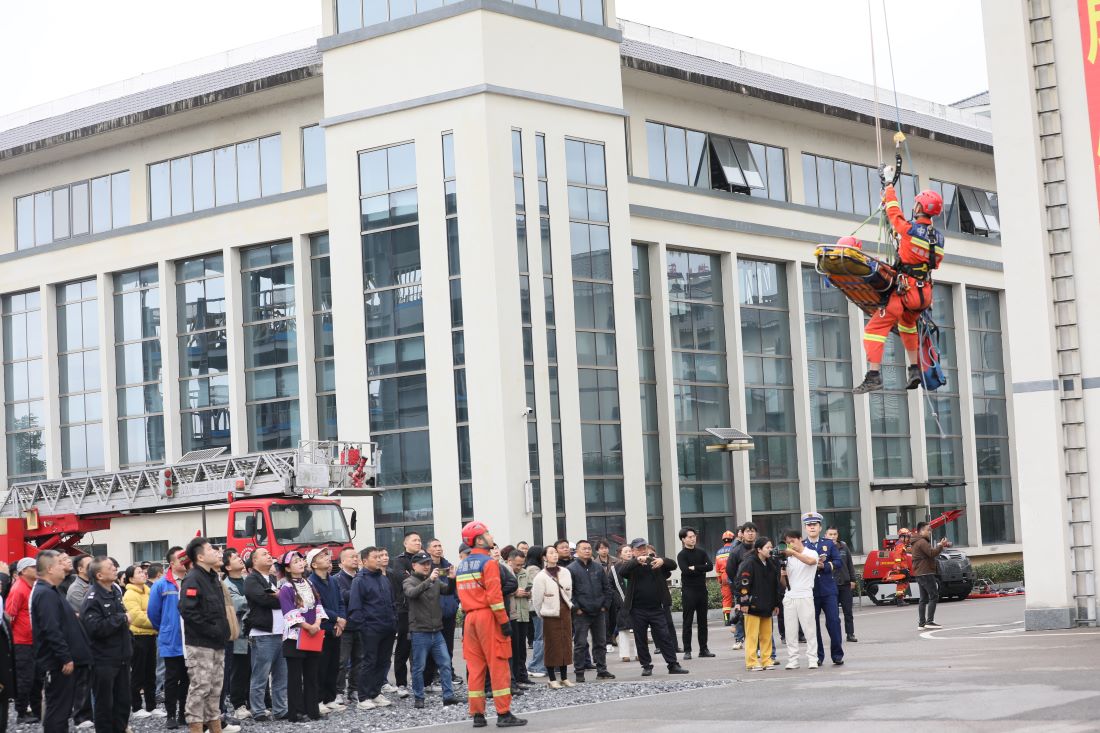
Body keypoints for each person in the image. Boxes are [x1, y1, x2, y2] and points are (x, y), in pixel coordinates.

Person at [854, 183, 945, 394]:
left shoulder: (910, 229)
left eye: (916, 204)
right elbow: (934, 263)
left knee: (874, 330)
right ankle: (914, 369)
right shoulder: (938, 238)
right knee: (907, 325)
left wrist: (888, 189)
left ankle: (873, 375)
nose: (914, 207)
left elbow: (894, 214)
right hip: (924, 295)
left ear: (920, 208)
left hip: (906, 291)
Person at [455, 521, 527, 728]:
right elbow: (494, 596)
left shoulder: (462, 566)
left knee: (476, 667)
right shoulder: (489, 563)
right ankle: (503, 713)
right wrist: (504, 622)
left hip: (470, 618)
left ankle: (478, 714)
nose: (490, 536)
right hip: (488, 618)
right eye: (487, 533)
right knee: (499, 665)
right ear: (479, 539)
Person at [32, 551, 94, 733]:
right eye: (60, 563)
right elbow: (51, 629)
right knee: (57, 709)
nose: (64, 566)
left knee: (63, 708)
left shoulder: (53, 591)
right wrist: (65, 657)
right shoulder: (45, 594)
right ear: (50, 569)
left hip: (63, 661)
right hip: (58, 663)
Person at [178, 537, 232, 733]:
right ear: (200, 556)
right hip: (200, 644)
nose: (217, 551)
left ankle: (215, 727)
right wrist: (212, 630)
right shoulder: (193, 578)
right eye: (211, 549)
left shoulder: (213, 577)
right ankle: (195, 728)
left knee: (215, 688)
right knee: (200, 688)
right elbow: (187, 611)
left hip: (217, 643)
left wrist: (223, 631)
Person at [620, 539, 688, 677]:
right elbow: (622, 571)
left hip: (657, 608)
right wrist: (637, 560)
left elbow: (673, 565)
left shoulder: (654, 561)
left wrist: (662, 561)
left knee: (664, 636)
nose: (642, 551)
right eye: (638, 549)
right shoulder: (631, 565)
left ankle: (673, 664)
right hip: (637, 609)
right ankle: (646, 666)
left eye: (644, 548)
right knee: (641, 638)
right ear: (633, 551)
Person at [81, 556, 133, 733]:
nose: (114, 568)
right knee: (105, 705)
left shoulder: (115, 592)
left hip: (122, 657)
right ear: (99, 575)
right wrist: (121, 619)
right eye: (110, 567)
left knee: (123, 703)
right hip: (104, 660)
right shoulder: (92, 598)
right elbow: (94, 628)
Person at [403, 551, 459, 709]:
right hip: (420, 631)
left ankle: (448, 696)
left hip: (437, 631)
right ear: (414, 566)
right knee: (419, 667)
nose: (427, 566)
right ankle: (419, 697)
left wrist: (452, 579)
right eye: (423, 564)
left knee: (445, 664)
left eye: (428, 563)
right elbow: (411, 593)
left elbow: (447, 590)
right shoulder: (409, 581)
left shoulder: (434, 581)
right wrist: (430, 580)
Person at [278, 551, 327, 722]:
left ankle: (313, 710)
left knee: (312, 674)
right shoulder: (286, 588)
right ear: (287, 568)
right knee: (295, 677)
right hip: (294, 637)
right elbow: (289, 612)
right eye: (295, 561)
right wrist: (307, 626)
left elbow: (318, 605)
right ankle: (296, 713)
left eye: (301, 560)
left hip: (312, 635)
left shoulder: (309, 583)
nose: (300, 563)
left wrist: (317, 624)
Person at [242, 548, 288, 722]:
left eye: (269, 554)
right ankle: (259, 710)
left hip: (280, 633)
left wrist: (280, 597)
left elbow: (284, 600)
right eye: (264, 554)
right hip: (262, 634)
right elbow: (262, 599)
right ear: (254, 561)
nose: (269, 556)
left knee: (281, 675)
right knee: (260, 675)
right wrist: (282, 599)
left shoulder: (273, 578)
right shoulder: (251, 579)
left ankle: (281, 709)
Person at [349, 546, 397, 710]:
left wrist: (394, 621)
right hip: (370, 629)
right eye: (375, 557)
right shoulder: (359, 580)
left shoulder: (383, 578)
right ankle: (363, 697)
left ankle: (375, 693)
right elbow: (355, 607)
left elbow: (392, 602)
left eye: (379, 556)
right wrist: (364, 626)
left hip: (388, 627)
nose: (379, 559)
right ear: (364, 561)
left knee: (383, 662)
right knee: (369, 662)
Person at [148, 546, 190, 729]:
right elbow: (153, 613)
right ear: (172, 563)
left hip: (190, 640)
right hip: (171, 640)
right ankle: (170, 715)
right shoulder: (161, 585)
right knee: (172, 678)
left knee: (188, 679)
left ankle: (183, 714)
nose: (185, 561)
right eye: (181, 559)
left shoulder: (192, 581)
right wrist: (166, 628)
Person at [305, 547, 347, 713]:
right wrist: (337, 618)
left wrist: (341, 620)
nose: (328, 558)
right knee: (319, 666)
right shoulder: (310, 582)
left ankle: (330, 698)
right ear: (314, 564)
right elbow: (317, 606)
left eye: (327, 555)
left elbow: (341, 602)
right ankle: (318, 700)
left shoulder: (333, 580)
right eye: (322, 556)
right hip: (320, 628)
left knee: (333, 665)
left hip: (335, 628)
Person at [566, 539, 613, 683]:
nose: (587, 551)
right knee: (580, 643)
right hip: (581, 613)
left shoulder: (598, 568)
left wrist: (605, 605)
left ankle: (602, 670)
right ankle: (579, 671)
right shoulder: (571, 569)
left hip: (599, 611)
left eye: (588, 548)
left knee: (600, 642)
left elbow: (607, 588)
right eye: (583, 548)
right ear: (577, 551)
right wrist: (576, 608)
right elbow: (568, 592)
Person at [802, 513, 845, 666]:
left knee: (833, 621)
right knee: (812, 624)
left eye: (815, 524)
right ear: (806, 528)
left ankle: (837, 654)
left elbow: (838, 562)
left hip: (828, 589)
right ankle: (817, 656)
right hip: (810, 590)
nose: (812, 527)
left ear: (820, 527)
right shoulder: (802, 545)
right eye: (809, 525)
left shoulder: (828, 543)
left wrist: (825, 566)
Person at [530, 545, 573, 689]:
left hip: (565, 610)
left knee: (565, 643)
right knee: (551, 645)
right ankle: (552, 678)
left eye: (555, 552)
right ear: (544, 557)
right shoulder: (540, 576)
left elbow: (569, 592)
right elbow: (536, 600)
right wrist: (541, 612)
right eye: (551, 553)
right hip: (549, 614)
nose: (555, 555)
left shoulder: (565, 572)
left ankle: (565, 677)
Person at [736, 537, 782, 671]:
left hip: (767, 605)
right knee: (752, 636)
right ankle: (752, 662)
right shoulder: (749, 563)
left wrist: (776, 604)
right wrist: (743, 602)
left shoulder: (771, 563)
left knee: (766, 635)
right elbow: (743, 583)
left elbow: (775, 585)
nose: (770, 549)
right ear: (759, 549)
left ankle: (767, 660)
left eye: (771, 547)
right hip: (752, 605)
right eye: (768, 547)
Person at [123, 565, 161, 719]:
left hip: (151, 635)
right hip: (138, 637)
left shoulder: (148, 590)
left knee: (150, 673)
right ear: (131, 578)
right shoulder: (130, 594)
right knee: (138, 673)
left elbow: (155, 610)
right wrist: (157, 621)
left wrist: (152, 616)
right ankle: (137, 706)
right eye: (139, 572)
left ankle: (152, 706)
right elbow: (137, 617)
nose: (143, 574)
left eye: (143, 571)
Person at [7, 556, 42, 723]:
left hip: (33, 640)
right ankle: (20, 714)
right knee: (25, 679)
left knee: (36, 679)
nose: (37, 569)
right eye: (33, 567)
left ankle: (36, 712)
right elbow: (9, 617)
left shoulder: (32, 586)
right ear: (23, 571)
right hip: (21, 642)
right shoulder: (18, 588)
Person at [779, 529, 820, 669]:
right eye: (788, 542)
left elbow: (811, 562)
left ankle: (812, 659)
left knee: (809, 629)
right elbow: (784, 583)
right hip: (790, 596)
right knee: (790, 631)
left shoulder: (810, 552)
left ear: (800, 539)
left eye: (793, 541)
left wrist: (794, 553)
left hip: (805, 595)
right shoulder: (787, 559)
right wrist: (782, 574)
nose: (791, 544)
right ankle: (793, 659)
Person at [389, 531, 422, 699]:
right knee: (403, 648)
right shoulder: (399, 561)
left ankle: (421, 682)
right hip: (404, 610)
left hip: (422, 609)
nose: (418, 542)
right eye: (414, 540)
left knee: (421, 648)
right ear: (405, 543)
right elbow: (404, 579)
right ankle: (401, 684)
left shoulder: (424, 558)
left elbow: (428, 578)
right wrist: (421, 577)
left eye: (419, 540)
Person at [426, 538, 462, 688]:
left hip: (449, 611)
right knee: (434, 646)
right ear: (428, 550)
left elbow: (454, 586)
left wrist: (455, 602)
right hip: (433, 613)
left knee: (448, 645)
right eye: (435, 546)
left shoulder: (448, 565)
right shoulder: (426, 567)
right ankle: (434, 674)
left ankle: (449, 672)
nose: (438, 548)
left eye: (440, 545)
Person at [221, 549, 251, 720]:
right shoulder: (225, 584)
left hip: (253, 632)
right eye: (235, 558)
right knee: (238, 670)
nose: (240, 559)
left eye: (239, 557)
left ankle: (251, 702)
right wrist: (255, 597)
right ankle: (238, 704)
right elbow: (236, 603)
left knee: (252, 669)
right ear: (227, 566)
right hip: (238, 631)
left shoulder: (247, 580)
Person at [676, 527, 714, 660]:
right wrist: (699, 569)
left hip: (701, 590)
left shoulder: (701, 552)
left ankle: (703, 649)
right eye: (689, 537)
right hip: (688, 591)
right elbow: (685, 571)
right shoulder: (682, 555)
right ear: (683, 539)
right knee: (688, 621)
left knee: (703, 621)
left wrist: (696, 568)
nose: (693, 539)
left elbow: (710, 566)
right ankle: (687, 650)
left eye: (694, 536)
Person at [334, 547, 362, 704]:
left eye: (356, 556)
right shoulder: (337, 579)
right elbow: (344, 597)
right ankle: (338, 691)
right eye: (351, 557)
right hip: (345, 626)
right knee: (342, 661)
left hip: (360, 624)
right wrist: (359, 591)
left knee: (359, 660)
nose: (355, 559)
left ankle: (354, 690)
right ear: (342, 561)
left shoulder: (360, 577)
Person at [912, 521, 951, 630]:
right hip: (926, 572)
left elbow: (929, 552)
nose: (930, 532)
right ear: (921, 531)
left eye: (930, 530)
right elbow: (931, 553)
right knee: (934, 596)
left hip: (920, 573)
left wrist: (939, 546)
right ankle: (930, 621)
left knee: (923, 599)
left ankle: (921, 623)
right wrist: (940, 546)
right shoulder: (922, 542)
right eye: (928, 530)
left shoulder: (916, 542)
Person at [724, 523, 757, 651]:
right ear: (742, 534)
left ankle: (759, 646)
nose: (750, 533)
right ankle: (739, 639)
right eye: (748, 531)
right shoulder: (736, 551)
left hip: (758, 589)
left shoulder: (759, 548)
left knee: (759, 617)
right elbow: (730, 572)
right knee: (741, 615)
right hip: (743, 589)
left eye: (753, 531)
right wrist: (738, 591)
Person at [825, 527, 859, 642]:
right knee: (833, 614)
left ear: (837, 535)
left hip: (845, 584)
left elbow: (850, 564)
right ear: (826, 535)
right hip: (831, 585)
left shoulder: (844, 547)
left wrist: (853, 580)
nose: (833, 536)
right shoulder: (824, 549)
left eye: (835, 534)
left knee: (848, 611)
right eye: (830, 534)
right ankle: (836, 636)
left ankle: (850, 634)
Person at [507, 550, 534, 688]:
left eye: (521, 564)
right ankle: (514, 677)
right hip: (512, 615)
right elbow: (503, 590)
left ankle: (522, 675)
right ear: (509, 561)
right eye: (517, 564)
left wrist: (528, 593)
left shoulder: (525, 572)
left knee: (522, 647)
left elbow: (530, 590)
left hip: (524, 613)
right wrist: (515, 592)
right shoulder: (505, 571)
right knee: (513, 648)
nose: (519, 567)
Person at [609, 545, 635, 662]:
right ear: (620, 554)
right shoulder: (614, 569)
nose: (629, 553)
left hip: (637, 602)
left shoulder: (637, 565)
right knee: (623, 630)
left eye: (630, 551)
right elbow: (610, 586)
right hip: (621, 603)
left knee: (639, 629)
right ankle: (625, 654)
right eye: (626, 551)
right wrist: (618, 600)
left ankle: (640, 653)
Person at [714, 530, 736, 630]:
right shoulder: (735, 549)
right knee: (738, 597)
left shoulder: (719, 552)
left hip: (724, 577)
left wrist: (719, 579)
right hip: (735, 575)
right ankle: (738, 618)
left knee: (726, 599)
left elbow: (717, 569)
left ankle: (726, 620)